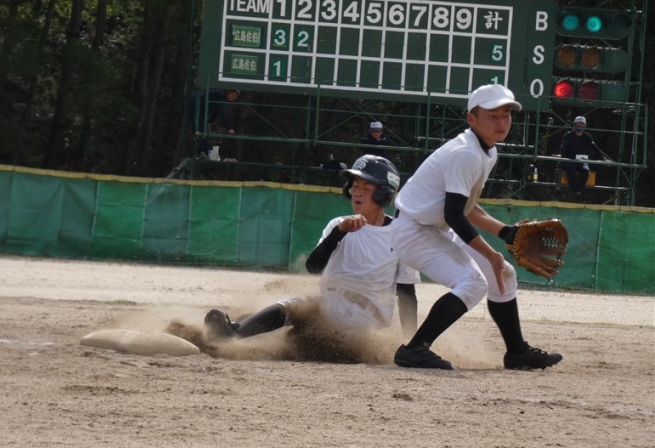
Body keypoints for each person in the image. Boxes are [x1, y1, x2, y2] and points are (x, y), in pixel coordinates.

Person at [389, 84, 563, 371]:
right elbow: (455, 215)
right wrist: (490, 253)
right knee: (474, 282)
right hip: (413, 232)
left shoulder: (486, 151)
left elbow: (467, 206)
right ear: (472, 119)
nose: (502, 122)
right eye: (492, 115)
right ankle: (414, 349)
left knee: (502, 273)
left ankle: (517, 353)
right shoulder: (466, 154)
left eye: (506, 114)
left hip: (431, 228)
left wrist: (505, 232)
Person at [203, 154, 420, 346]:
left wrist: (409, 342)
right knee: (288, 322)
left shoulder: (400, 235)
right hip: (331, 307)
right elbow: (313, 267)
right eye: (355, 186)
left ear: (384, 194)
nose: (357, 192)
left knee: (298, 307)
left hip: (367, 320)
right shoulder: (339, 224)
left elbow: (407, 295)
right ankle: (233, 332)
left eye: (366, 187)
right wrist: (338, 233)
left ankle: (232, 335)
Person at [559, 116, 606, 195]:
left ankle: (578, 190)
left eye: (582, 124)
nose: (580, 125)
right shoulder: (568, 135)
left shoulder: (587, 137)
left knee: (586, 171)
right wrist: (559, 154)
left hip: (581, 161)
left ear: (585, 126)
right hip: (569, 160)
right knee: (571, 168)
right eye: (578, 124)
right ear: (574, 125)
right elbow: (563, 146)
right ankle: (574, 190)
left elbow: (595, 148)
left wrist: (602, 158)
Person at [187, 88, 240, 156]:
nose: (233, 96)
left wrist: (210, 122)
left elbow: (217, 112)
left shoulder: (224, 100)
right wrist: (229, 128)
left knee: (204, 130)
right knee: (200, 130)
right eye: (232, 93)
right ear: (228, 92)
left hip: (202, 111)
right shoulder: (220, 95)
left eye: (235, 95)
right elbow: (221, 113)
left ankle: (204, 152)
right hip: (196, 106)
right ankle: (201, 153)